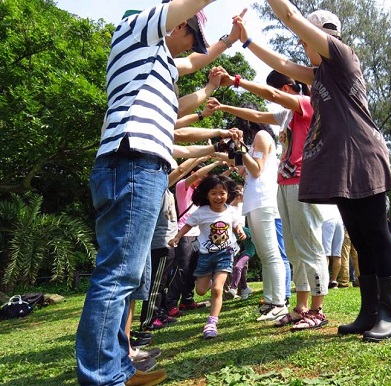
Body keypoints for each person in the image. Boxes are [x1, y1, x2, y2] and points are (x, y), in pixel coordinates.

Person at [75, 2, 233, 385]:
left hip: (141, 164)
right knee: (119, 273)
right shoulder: (137, 31)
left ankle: (118, 365)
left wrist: (228, 46)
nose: (191, 48)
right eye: (192, 37)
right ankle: (101, 376)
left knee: (124, 273)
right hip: (132, 159)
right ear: (177, 24)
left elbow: (193, 70)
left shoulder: (159, 64)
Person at [233, 5, 391, 342]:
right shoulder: (320, 74)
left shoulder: (341, 56)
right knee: (362, 239)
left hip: (363, 156)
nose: (302, 45)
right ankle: (369, 312)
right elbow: (281, 66)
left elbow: (291, 18)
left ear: (320, 37)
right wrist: (247, 41)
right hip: (342, 164)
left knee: (376, 235)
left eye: (304, 39)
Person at [211, 69, 328, 331]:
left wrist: (237, 81)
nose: (274, 100)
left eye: (277, 93)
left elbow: (270, 94)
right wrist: (224, 105)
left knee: (309, 246)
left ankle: (318, 310)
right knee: (295, 250)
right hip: (284, 184)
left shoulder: (306, 104)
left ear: (286, 89)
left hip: (305, 181)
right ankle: (301, 308)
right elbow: (255, 115)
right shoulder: (285, 116)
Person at [206, 99, 288, 321]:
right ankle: (271, 300)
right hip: (255, 201)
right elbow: (245, 169)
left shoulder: (262, 136)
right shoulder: (255, 143)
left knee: (271, 254)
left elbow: (257, 170)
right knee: (264, 255)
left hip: (264, 200)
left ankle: (279, 302)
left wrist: (241, 149)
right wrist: (220, 153)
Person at [168, 174, 245, 339]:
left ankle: (211, 323)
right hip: (205, 256)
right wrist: (177, 237)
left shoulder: (231, 211)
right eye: (213, 193)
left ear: (228, 194)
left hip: (225, 253)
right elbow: (187, 225)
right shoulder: (201, 212)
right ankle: (211, 281)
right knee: (201, 291)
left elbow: (235, 224)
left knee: (217, 289)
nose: (218, 197)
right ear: (207, 195)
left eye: (222, 193)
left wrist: (238, 230)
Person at [317, 204, 345, 289]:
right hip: (339, 220)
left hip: (326, 220)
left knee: (325, 253)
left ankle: (324, 281)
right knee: (337, 254)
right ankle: (333, 280)